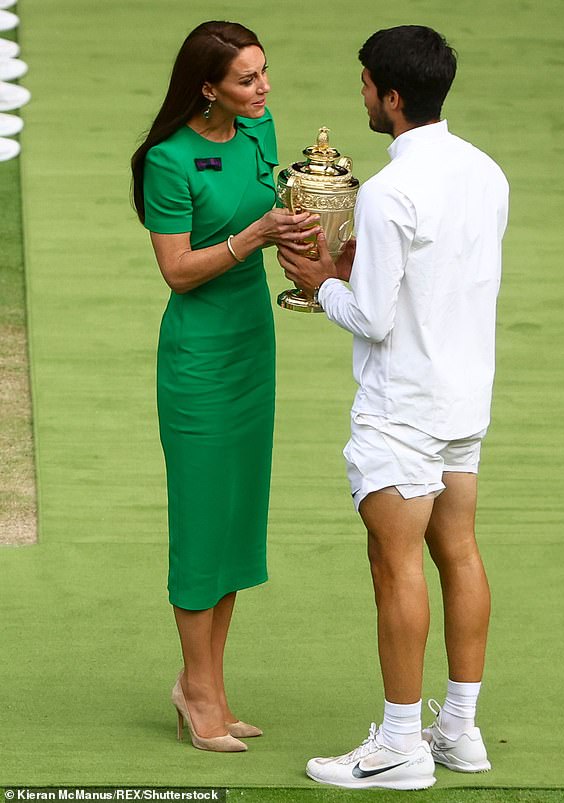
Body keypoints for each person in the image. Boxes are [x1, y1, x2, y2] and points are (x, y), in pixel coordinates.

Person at [277, 25, 509, 790]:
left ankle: (402, 746)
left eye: (368, 85)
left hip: (400, 408)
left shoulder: (387, 191)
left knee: (395, 564)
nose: (364, 97)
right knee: (460, 551)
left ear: (393, 97)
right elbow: (435, 278)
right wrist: (354, 269)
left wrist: (321, 285)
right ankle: (461, 731)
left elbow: (372, 316)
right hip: (463, 399)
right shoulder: (486, 172)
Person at [131, 21, 317, 753]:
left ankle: (210, 685)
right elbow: (176, 271)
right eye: (246, 79)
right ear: (206, 87)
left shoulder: (258, 129)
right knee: (201, 526)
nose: (263, 88)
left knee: (237, 523)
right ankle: (195, 688)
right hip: (199, 361)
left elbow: (277, 204)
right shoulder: (169, 161)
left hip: (253, 350)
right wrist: (254, 238)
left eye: (264, 73)